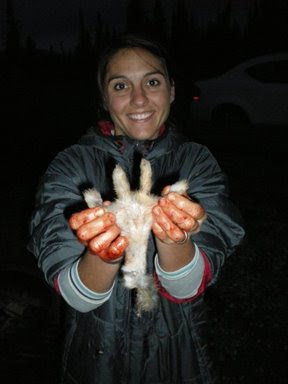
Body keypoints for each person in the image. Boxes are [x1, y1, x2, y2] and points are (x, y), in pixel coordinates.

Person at [28, 34, 245, 384]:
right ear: (103, 97)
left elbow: (188, 287)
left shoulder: (196, 162)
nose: (139, 99)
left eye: (153, 82)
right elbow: (77, 297)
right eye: (120, 86)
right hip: (95, 357)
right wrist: (105, 251)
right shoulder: (71, 166)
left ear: (172, 90)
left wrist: (173, 236)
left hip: (180, 354)